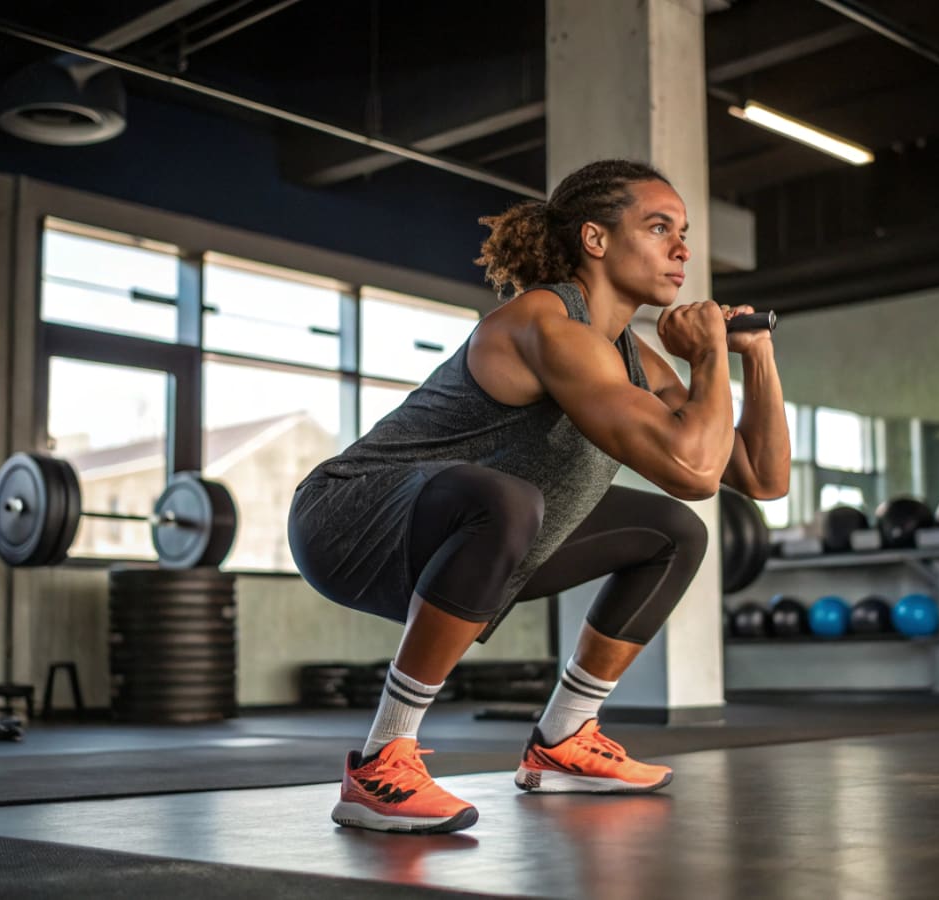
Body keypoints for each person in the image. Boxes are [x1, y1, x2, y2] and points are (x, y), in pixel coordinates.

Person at [287, 158, 790, 834]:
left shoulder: (633, 356)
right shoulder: (546, 325)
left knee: (677, 533)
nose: (683, 249)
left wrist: (753, 353)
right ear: (596, 239)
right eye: (659, 227)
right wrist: (706, 359)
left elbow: (760, 477)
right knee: (509, 501)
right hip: (345, 520)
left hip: (479, 530)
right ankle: (381, 759)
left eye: (685, 231)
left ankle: (564, 740)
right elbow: (694, 469)